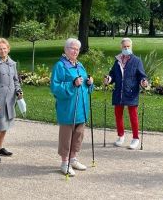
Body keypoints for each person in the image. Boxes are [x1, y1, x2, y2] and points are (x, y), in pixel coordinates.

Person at [50, 38, 94, 177]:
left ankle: (73, 159)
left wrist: (89, 83)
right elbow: (55, 87)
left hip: (81, 107)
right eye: (72, 48)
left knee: (78, 135)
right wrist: (72, 84)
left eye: (77, 49)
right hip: (68, 108)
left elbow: (86, 87)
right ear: (65, 49)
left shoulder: (79, 65)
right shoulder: (60, 66)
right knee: (67, 136)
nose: (75, 51)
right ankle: (64, 163)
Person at [104, 38, 148, 150]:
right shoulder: (117, 60)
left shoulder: (136, 61)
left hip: (131, 92)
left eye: (128, 46)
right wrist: (109, 79)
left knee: (133, 115)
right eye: (124, 47)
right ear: (121, 47)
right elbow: (112, 74)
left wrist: (143, 81)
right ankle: (121, 136)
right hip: (119, 92)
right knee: (118, 115)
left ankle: (135, 138)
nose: (126, 48)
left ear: (131, 47)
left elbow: (141, 75)